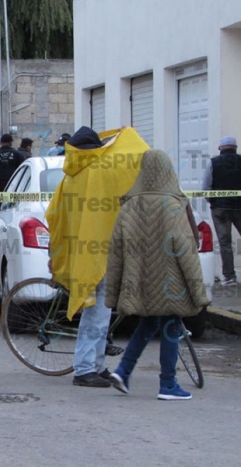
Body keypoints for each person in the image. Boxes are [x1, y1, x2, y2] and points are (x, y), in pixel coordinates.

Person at [46, 126, 148, 388]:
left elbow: (55, 217)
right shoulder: (102, 171)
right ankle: (83, 369)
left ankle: (98, 365)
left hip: (83, 253)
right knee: (98, 315)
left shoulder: (69, 177)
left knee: (99, 313)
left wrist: (56, 254)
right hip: (102, 254)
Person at [107, 149, 210, 400]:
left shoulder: (129, 205)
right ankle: (168, 384)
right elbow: (186, 250)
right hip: (170, 281)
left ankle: (123, 370)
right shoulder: (172, 205)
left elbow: (115, 251)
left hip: (140, 279)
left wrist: (114, 291)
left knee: (147, 323)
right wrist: (198, 291)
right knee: (171, 327)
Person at [202, 136, 241, 286]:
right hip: (239, 207)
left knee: (225, 243)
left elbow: (206, 187)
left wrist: (213, 201)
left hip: (220, 209)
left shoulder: (213, 162)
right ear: (235, 148)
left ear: (220, 148)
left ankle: (230, 277)